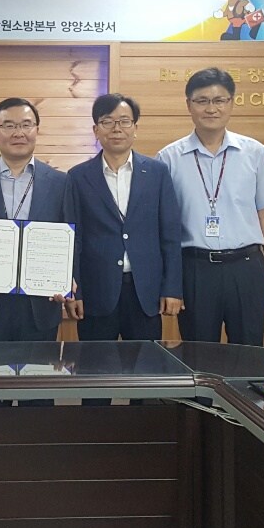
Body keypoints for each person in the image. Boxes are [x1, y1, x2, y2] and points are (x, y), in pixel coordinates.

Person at [157, 68, 264, 346]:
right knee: (198, 353)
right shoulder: (168, 159)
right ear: (189, 105)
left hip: (246, 267)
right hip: (194, 269)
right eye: (202, 101)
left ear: (231, 103)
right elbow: (162, 226)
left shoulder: (254, 152)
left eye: (219, 100)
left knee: (249, 351)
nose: (211, 108)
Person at [0, 97, 74, 343]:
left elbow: (72, 236)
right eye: (9, 126)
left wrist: (67, 274)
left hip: (41, 302)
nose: (19, 133)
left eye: (26, 125)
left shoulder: (59, 182)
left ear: (36, 130)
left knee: (39, 368)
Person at [66, 93, 183, 343]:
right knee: (95, 364)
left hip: (145, 292)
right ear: (96, 130)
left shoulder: (157, 173)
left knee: (146, 364)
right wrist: (75, 291)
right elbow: (74, 238)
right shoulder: (77, 177)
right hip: (96, 292)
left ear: (135, 128)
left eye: (124, 121)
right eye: (107, 122)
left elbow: (171, 235)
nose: (116, 129)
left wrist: (172, 287)